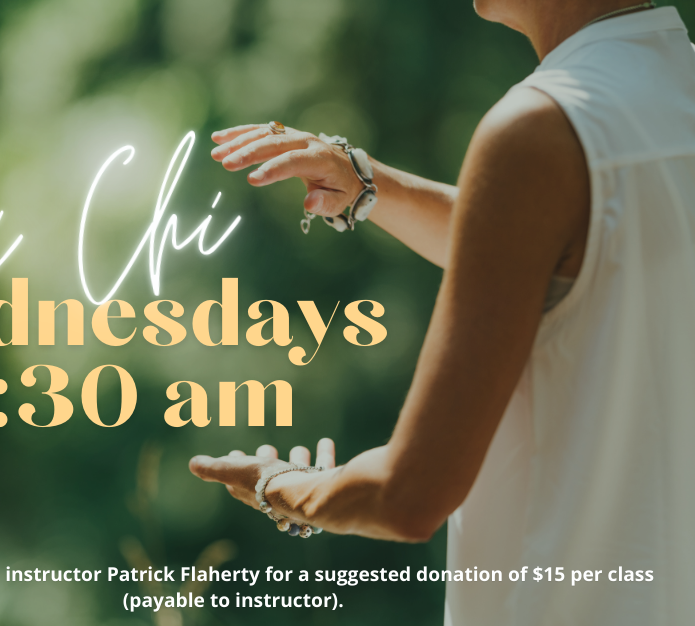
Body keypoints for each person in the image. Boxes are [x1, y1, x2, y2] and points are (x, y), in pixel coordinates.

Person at [188, 1, 695, 624]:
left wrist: (278, 486)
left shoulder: (539, 126)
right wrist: (372, 186)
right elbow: (575, 247)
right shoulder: (668, 94)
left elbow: (406, 495)